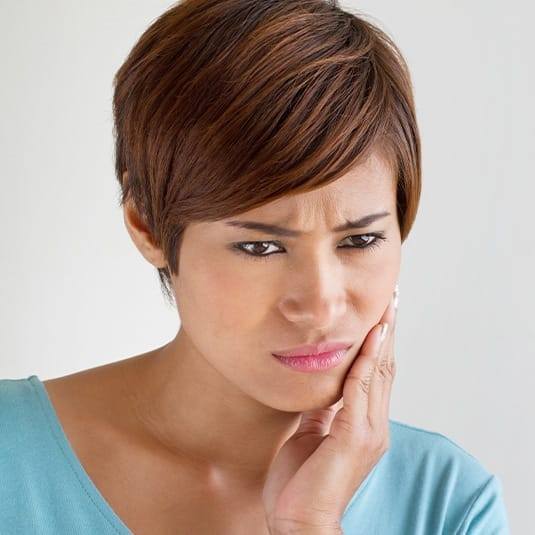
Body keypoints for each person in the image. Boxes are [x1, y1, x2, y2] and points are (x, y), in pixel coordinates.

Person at [0, 0, 510, 533]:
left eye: (360, 239)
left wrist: (309, 523)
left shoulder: (448, 505)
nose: (319, 303)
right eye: (261, 247)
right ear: (147, 226)